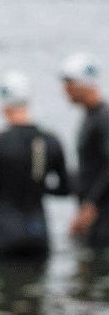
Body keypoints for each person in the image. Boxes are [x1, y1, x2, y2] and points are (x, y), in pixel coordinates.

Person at [0, 70, 71, 260]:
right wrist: (39, 186)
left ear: (3, 106)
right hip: (38, 232)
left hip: (3, 232)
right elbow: (65, 189)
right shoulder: (51, 141)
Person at [61, 52, 109, 247]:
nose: (65, 92)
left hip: (102, 214)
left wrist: (91, 205)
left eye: (69, 85)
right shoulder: (92, 116)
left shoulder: (103, 119)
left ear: (83, 85)